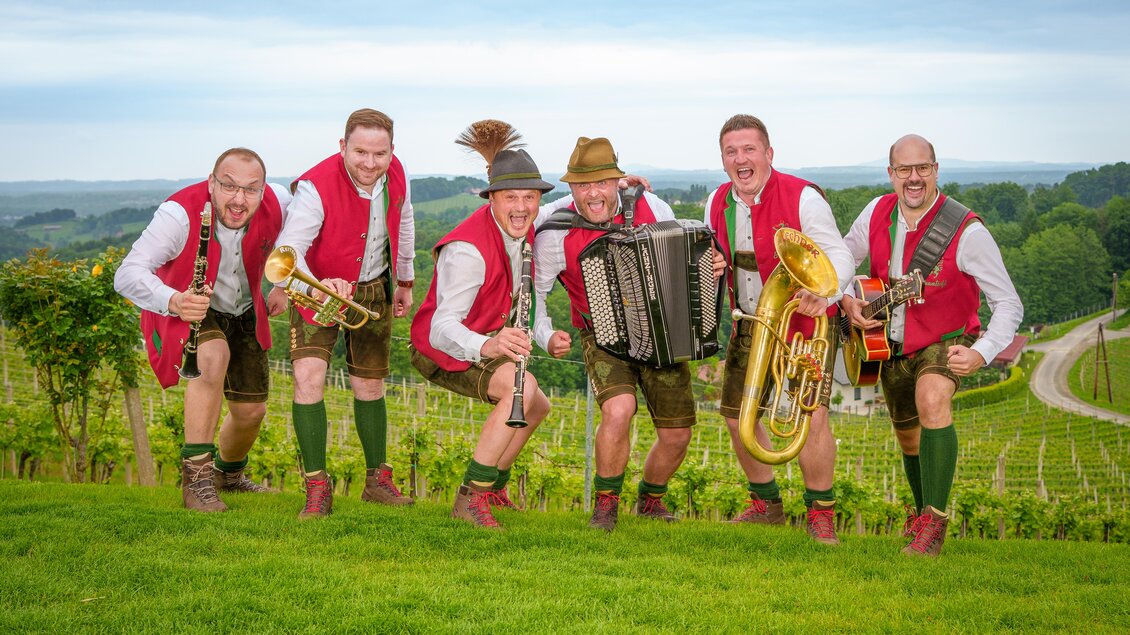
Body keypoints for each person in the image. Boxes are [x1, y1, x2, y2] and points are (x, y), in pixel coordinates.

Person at [840, 134, 1023, 556]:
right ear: (891, 174)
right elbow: (843, 260)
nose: (914, 177)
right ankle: (922, 514)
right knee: (908, 440)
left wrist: (982, 351)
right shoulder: (875, 212)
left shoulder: (967, 230)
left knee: (932, 398)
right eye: (904, 169)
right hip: (889, 342)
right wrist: (847, 297)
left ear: (936, 170)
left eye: (923, 167)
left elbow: (1009, 303)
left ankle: (935, 525)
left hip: (947, 337)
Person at [534, 136, 720, 531]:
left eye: (601, 181)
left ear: (617, 181)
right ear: (570, 189)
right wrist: (545, 335)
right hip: (600, 336)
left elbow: (692, 254)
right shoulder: (554, 233)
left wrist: (711, 266)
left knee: (678, 434)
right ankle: (605, 506)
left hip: (663, 333)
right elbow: (533, 295)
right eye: (582, 185)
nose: (592, 193)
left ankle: (649, 500)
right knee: (619, 410)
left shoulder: (653, 207)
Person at [704, 115, 855, 544]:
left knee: (812, 418)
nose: (741, 159)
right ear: (723, 159)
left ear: (769, 154)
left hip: (803, 322)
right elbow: (714, 259)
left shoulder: (803, 196)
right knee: (736, 419)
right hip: (751, 323)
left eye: (749, 149)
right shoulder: (716, 202)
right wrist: (713, 266)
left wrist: (825, 295)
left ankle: (820, 512)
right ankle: (766, 504)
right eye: (731, 152)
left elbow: (839, 255)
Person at [115, 147, 290, 512]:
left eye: (251, 189)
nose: (239, 199)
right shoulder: (177, 214)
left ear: (262, 190)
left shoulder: (279, 200)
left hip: (245, 310)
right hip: (188, 305)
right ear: (212, 182)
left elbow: (301, 239)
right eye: (229, 186)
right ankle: (196, 480)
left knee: (251, 413)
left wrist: (283, 285)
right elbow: (126, 274)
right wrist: (175, 301)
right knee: (212, 355)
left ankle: (229, 476)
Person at [274, 108, 416, 518]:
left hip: (374, 286)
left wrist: (403, 280)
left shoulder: (398, 173)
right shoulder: (315, 186)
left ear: (392, 151)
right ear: (342, 147)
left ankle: (376, 482)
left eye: (379, 154)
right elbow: (289, 251)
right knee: (308, 378)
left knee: (370, 385)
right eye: (360, 153)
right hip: (315, 286)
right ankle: (317, 488)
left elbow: (403, 224)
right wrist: (320, 283)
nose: (370, 163)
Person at [410, 133, 553, 528]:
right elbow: (440, 329)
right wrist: (489, 343)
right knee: (516, 390)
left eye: (530, 197)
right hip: (441, 348)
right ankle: (470, 498)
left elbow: (563, 206)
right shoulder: (467, 251)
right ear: (491, 199)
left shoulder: (525, 220)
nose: (522, 207)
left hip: (483, 340)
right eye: (511, 197)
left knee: (539, 405)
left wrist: (616, 188)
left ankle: (492, 487)